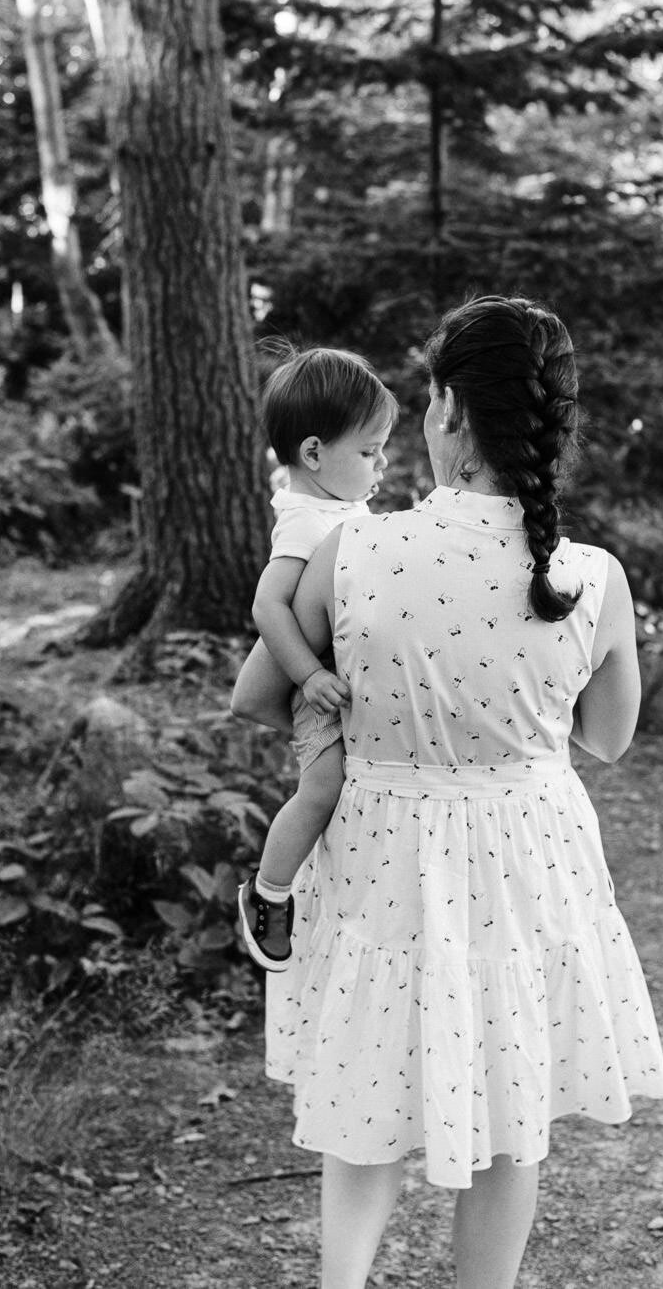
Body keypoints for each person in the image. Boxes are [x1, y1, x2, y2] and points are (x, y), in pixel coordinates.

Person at [231, 295, 663, 1289]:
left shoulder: (353, 550)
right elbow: (604, 740)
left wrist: (357, 716)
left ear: (443, 412)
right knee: (511, 1103)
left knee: (364, 1089)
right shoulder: (592, 576)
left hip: (383, 845)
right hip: (528, 852)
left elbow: (256, 695)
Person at [235, 344, 398, 972]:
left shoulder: (340, 507)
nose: (381, 463)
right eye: (367, 451)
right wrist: (308, 674)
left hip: (339, 676)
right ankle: (268, 893)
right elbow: (268, 606)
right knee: (324, 785)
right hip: (318, 685)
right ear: (313, 453)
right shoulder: (306, 521)